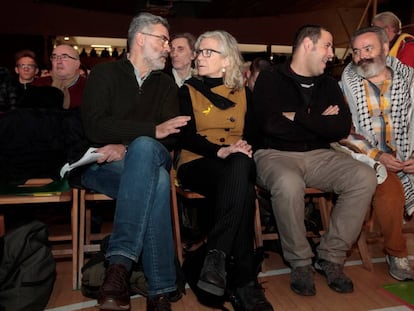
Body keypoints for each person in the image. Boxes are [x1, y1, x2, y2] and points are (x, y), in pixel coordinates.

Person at [252, 25, 377, 296]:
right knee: (288, 183)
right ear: (308, 45)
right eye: (328, 46)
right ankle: (300, 263)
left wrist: (297, 116)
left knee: (363, 176)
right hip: (275, 154)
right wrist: (320, 120)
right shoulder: (270, 78)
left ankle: (330, 257)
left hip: (320, 155)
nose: (331, 54)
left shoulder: (328, 84)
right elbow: (270, 125)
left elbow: (341, 127)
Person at [81, 12, 190, 311]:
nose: (168, 47)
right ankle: (160, 291)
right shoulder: (104, 75)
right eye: (163, 40)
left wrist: (130, 145)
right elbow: (93, 126)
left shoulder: (166, 85)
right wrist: (150, 131)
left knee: (144, 149)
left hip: (147, 156)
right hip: (101, 165)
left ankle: (118, 268)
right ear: (140, 39)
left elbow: (170, 137)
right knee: (156, 183)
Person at [177, 30, 273, 310]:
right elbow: (185, 136)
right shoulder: (188, 89)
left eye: (208, 52)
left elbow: (256, 135)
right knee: (241, 185)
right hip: (197, 161)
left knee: (240, 168)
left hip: (235, 162)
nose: (200, 57)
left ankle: (215, 259)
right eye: (199, 51)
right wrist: (220, 150)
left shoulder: (244, 92)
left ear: (227, 60)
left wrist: (240, 147)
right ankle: (245, 282)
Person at [340, 26, 414, 281]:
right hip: (366, 158)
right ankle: (397, 253)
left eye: (368, 48)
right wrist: (377, 156)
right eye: (357, 51)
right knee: (389, 188)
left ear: (385, 48)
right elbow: (343, 132)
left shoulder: (411, 81)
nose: (361, 57)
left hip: (407, 154)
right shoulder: (344, 86)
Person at [33, 44, 86, 109]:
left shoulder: (88, 87)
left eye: (64, 57)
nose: (58, 61)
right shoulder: (39, 84)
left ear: (77, 64)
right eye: (54, 57)